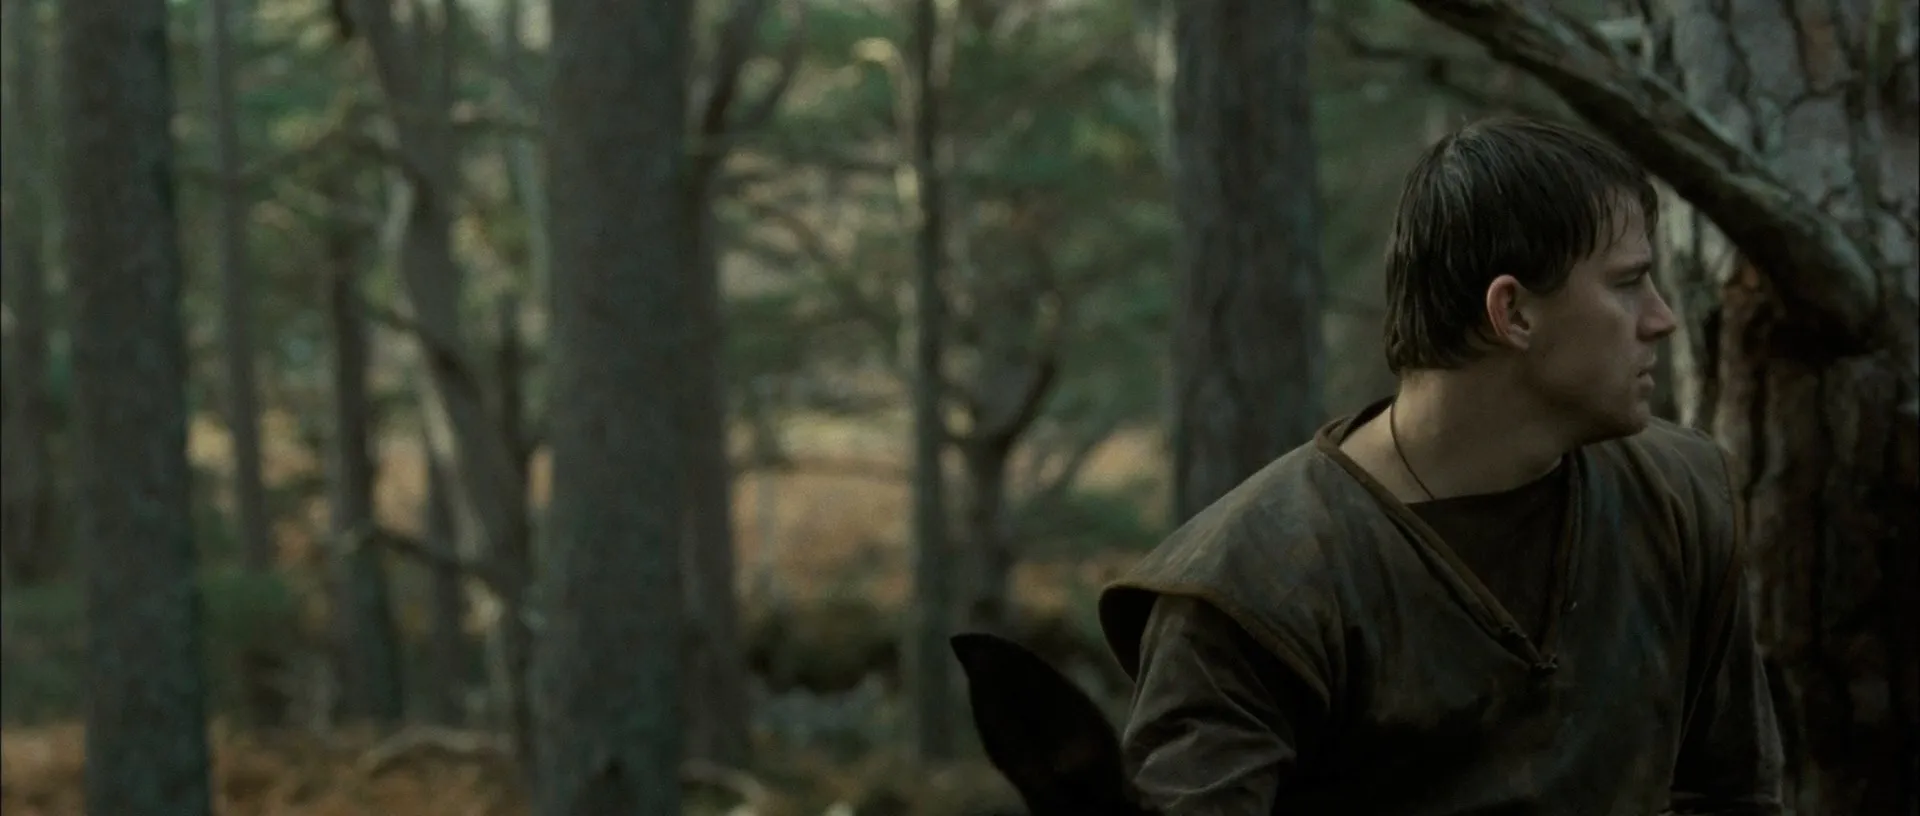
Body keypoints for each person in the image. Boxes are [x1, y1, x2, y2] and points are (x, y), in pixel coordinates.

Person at [1096, 116, 1785, 814]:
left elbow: (1730, 797)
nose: (1662, 318)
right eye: (1628, 282)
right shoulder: (1252, 586)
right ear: (1513, 313)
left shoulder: (1676, 494)